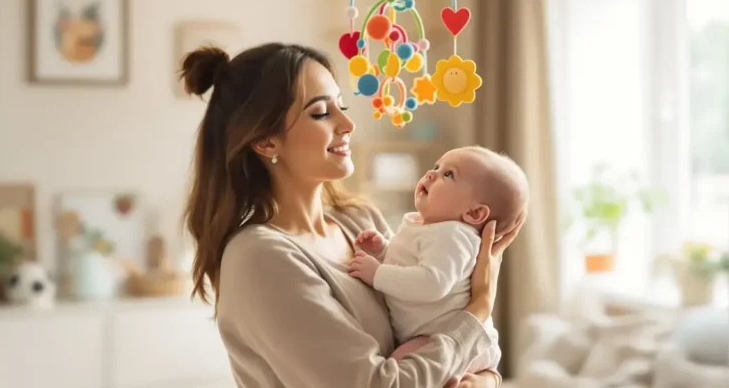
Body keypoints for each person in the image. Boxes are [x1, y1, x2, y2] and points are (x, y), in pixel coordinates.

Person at [179, 42, 525, 387]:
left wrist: (483, 381)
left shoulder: (360, 221)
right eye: (320, 113)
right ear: (267, 142)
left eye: (341, 106)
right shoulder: (260, 258)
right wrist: (478, 310)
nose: (347, 124)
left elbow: (450, 341)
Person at [348, 146, 530, 378]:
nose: (431, 174)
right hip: (443, 335)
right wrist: (383, 250)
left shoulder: (453, 236)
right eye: (436, 167)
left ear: (474, 214)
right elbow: (408, 265)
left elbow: (432, 283)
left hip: (448, 336)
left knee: (398, 368)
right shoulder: (429, 227)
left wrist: (377, 273)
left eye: (449, 174)